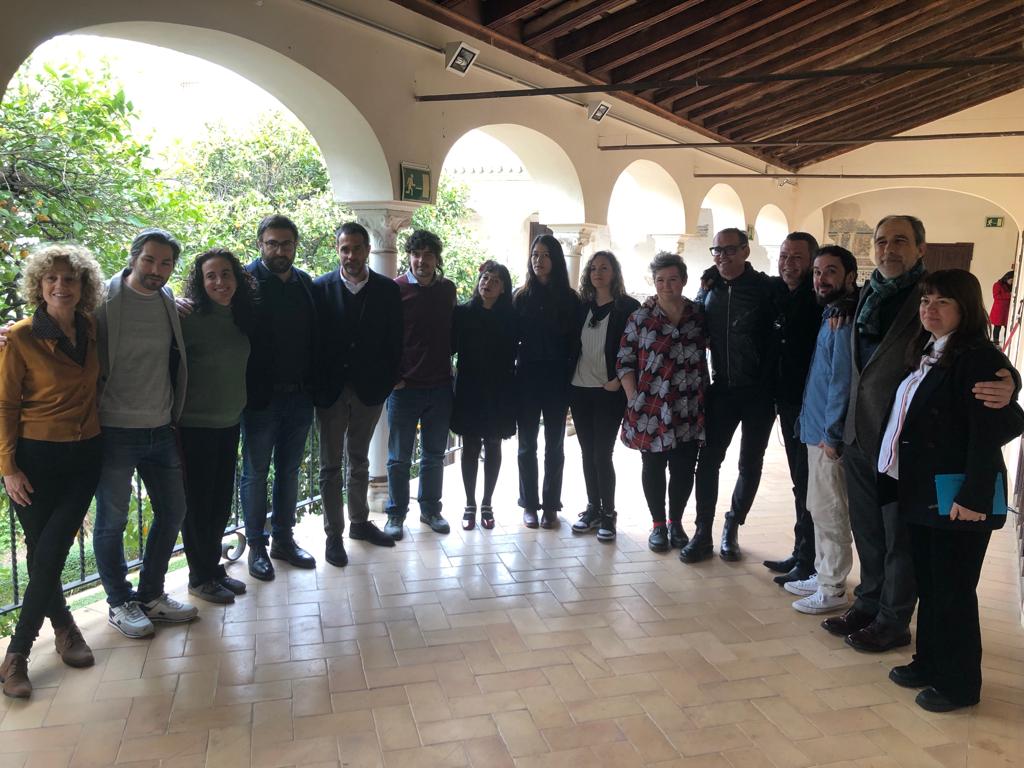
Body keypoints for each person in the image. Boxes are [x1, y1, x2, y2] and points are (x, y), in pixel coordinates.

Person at [829, 214, 1016, 652]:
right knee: (868, 533)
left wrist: (1011, 383)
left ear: (920, 249)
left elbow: (980, 356)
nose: (888, 249)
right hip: (861, 437)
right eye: (881, 241)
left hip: (907, 449)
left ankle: (894, 619)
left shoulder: (935, 295)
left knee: (902, 541)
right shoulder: (864, 297)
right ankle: (870, 601)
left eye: (900, 241)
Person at [880, 269, 1022, 712]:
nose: (930, 309)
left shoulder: (977, 357)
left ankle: (960, 685)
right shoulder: (929, 349)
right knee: (931, 584)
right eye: (926, 301)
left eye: (942, 302)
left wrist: (974, 497)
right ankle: (929, 661)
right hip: (923, 491)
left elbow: (990, 431)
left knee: (954, 592)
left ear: (966, 308)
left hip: (959, 495)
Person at [0, 244, 104, 698]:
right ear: (39, 285)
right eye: (52, 279)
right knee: (47, 553)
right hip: (34, 460)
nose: (61, 286)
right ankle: (26, 651)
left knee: (49, 551)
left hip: (85, 456)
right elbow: (4, 404)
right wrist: (7, 467)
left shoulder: (90, 328)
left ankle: (38, 642)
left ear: (84, 287)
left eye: (71, 279)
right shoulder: (20, 337)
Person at [93, 228, 197, 638]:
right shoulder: (101, 300)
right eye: (150, 260)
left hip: (160, 426)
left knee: (174, 511)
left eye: (166, 263)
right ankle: (120, 602)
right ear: (134, 257)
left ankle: (151, 595)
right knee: (111, 522)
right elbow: (58, 317)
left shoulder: (169, 300)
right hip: (115, 429)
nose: (157, 270)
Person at [685, 228, 776, 563]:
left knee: (749, 463)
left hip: (758, 393)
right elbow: (691, 320)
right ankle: (702, 531)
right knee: (708, 461)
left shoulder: (766, 288)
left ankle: (732, 526)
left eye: (730, 250)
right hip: (721, 388)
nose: (723, 256)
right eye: (717, 251)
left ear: (746, 251)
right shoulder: (710, 290)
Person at [314, 222, 403, 565]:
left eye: (356, 248)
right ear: (338, 251)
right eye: (344, 249)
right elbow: (313, 342)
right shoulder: (320, 288)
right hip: (330, 392)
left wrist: (386, 382)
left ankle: (360, 522)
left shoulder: (386, 290)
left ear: (368, 250)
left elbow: (395, 341)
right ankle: (333, 534)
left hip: (369, 391)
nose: (350, 255)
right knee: (329, 466)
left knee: (360, 460)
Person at [242, 214, 318, 581]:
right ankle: (256, 546)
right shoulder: (243, 283)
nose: (279, 250)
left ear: (295, 246)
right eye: (272, 243)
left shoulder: (305, 284)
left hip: (300, 398)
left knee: (288, 471)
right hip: (259, 400)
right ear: (260, 244)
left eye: (286, 244)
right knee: (255, 473)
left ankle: (283, 540)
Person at [178, 249, 255, 604]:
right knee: (198, 504)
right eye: (211, 276)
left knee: (220, 502)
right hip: (194, 426)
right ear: (200, 281)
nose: (220, 282)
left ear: (237, 278)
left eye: (226, 274)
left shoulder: (241, 316)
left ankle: (213, 569)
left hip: (228, 422)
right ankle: (199, 577)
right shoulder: (188, 317)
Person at [618, 252, 707, 553]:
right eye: (660, 280)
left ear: (683, 280)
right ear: (653, 283)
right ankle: (657, 525)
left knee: (684, 467)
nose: (667, 286)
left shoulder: (698, 316)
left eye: (672, 279)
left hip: (688, 406)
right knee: (653, 465)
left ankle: (676, 522)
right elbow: (625, 361)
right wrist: (634, 400)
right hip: (651, 408)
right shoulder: (640, 318)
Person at [791, 246, 858, 614]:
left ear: (849, 276)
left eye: (830, 271)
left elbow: (841, 383)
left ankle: (833, 588)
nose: (821, 278)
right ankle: (823, 574)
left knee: (831, 510)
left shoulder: (843, 320)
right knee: (819, 507)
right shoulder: (832, 312)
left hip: (826, 436)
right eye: (817, 272)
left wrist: (831, 435)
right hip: (814, 428)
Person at [382, 229, 457, 538]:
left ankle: (430, 510)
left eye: (427, 255)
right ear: (408, 257)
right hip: (405, 389)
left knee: (434, 454)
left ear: (436, 259)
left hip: (440, 387)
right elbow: (384, 338)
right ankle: (396, 514)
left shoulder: (447, 290)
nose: (421, 260)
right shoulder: (395, 290)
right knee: (399, 458)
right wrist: (393, 378)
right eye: (416, 254)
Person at [763, 232, 822, 585]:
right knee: (800, 482)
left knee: (809, 483)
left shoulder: (822, 300)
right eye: (785, 256)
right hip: (786, 402)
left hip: (811, 405)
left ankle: (811, 561)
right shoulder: (778, 293)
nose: (789, 263)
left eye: (797, 257)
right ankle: (802, 553)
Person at [569, 251, 639, 542]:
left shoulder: (628, 307)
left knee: (602, 453)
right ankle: (592, 508)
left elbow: (637, 349)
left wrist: (619, 380)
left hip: (609, 391)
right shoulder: (581, 306)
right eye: (593, 268)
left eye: (604, 267)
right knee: (587, 452)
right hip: (580, 388)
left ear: (615, 272)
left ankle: (609, 513)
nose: (598, 272)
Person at [513, 235, 581, 529]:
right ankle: (529, 503)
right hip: (526, 379)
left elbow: (576, 344)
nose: (538, 260)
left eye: (544, 255)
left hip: (556, 380)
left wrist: (568, 379)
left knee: (554, 445)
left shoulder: (569, 299)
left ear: (555, 260)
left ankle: (551, 505)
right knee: (527, 445)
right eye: (534, 255)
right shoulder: (520, 297)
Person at [450, 261, 517, 531]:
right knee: (470, 445)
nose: (487, 283)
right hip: (469, 387)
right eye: (485, 277)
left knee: (494, 444)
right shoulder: (463, 313)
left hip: (499, 388)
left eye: (495, 281)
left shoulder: (511, 317)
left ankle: (487, 502)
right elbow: (451, 347)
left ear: (503, 289)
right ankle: (469, 503)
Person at [989, 270, 1012, 344]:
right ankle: (995, 343)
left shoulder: (1011, 286)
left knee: (1007, 326)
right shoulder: (997, 285)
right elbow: (996, 296)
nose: (1011, 282)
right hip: (999, 310)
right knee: (997, 327)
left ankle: (1006, 342)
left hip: (1007, 310)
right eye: (1011, 280)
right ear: (1006, 278)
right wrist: (1009, 295)